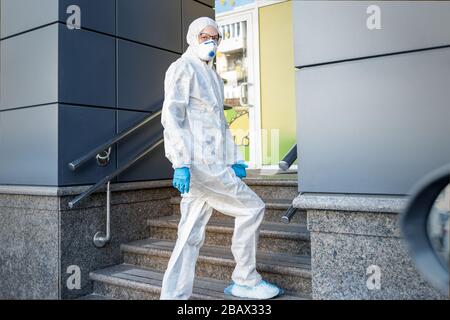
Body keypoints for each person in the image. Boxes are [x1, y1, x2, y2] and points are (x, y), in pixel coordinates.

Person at [159, 17, 283, 300]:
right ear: (193, 37)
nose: (211, 42)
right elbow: (172, 118)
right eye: (205, 36)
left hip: (210, 163)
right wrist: (180, 162)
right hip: (201, 164)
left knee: (189, 235)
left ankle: (173, 296)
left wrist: (235, 158)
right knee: (252, 208)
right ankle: (246, 280)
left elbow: (219, 124)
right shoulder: (182, 68)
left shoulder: (213, 76)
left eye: (216, 37)